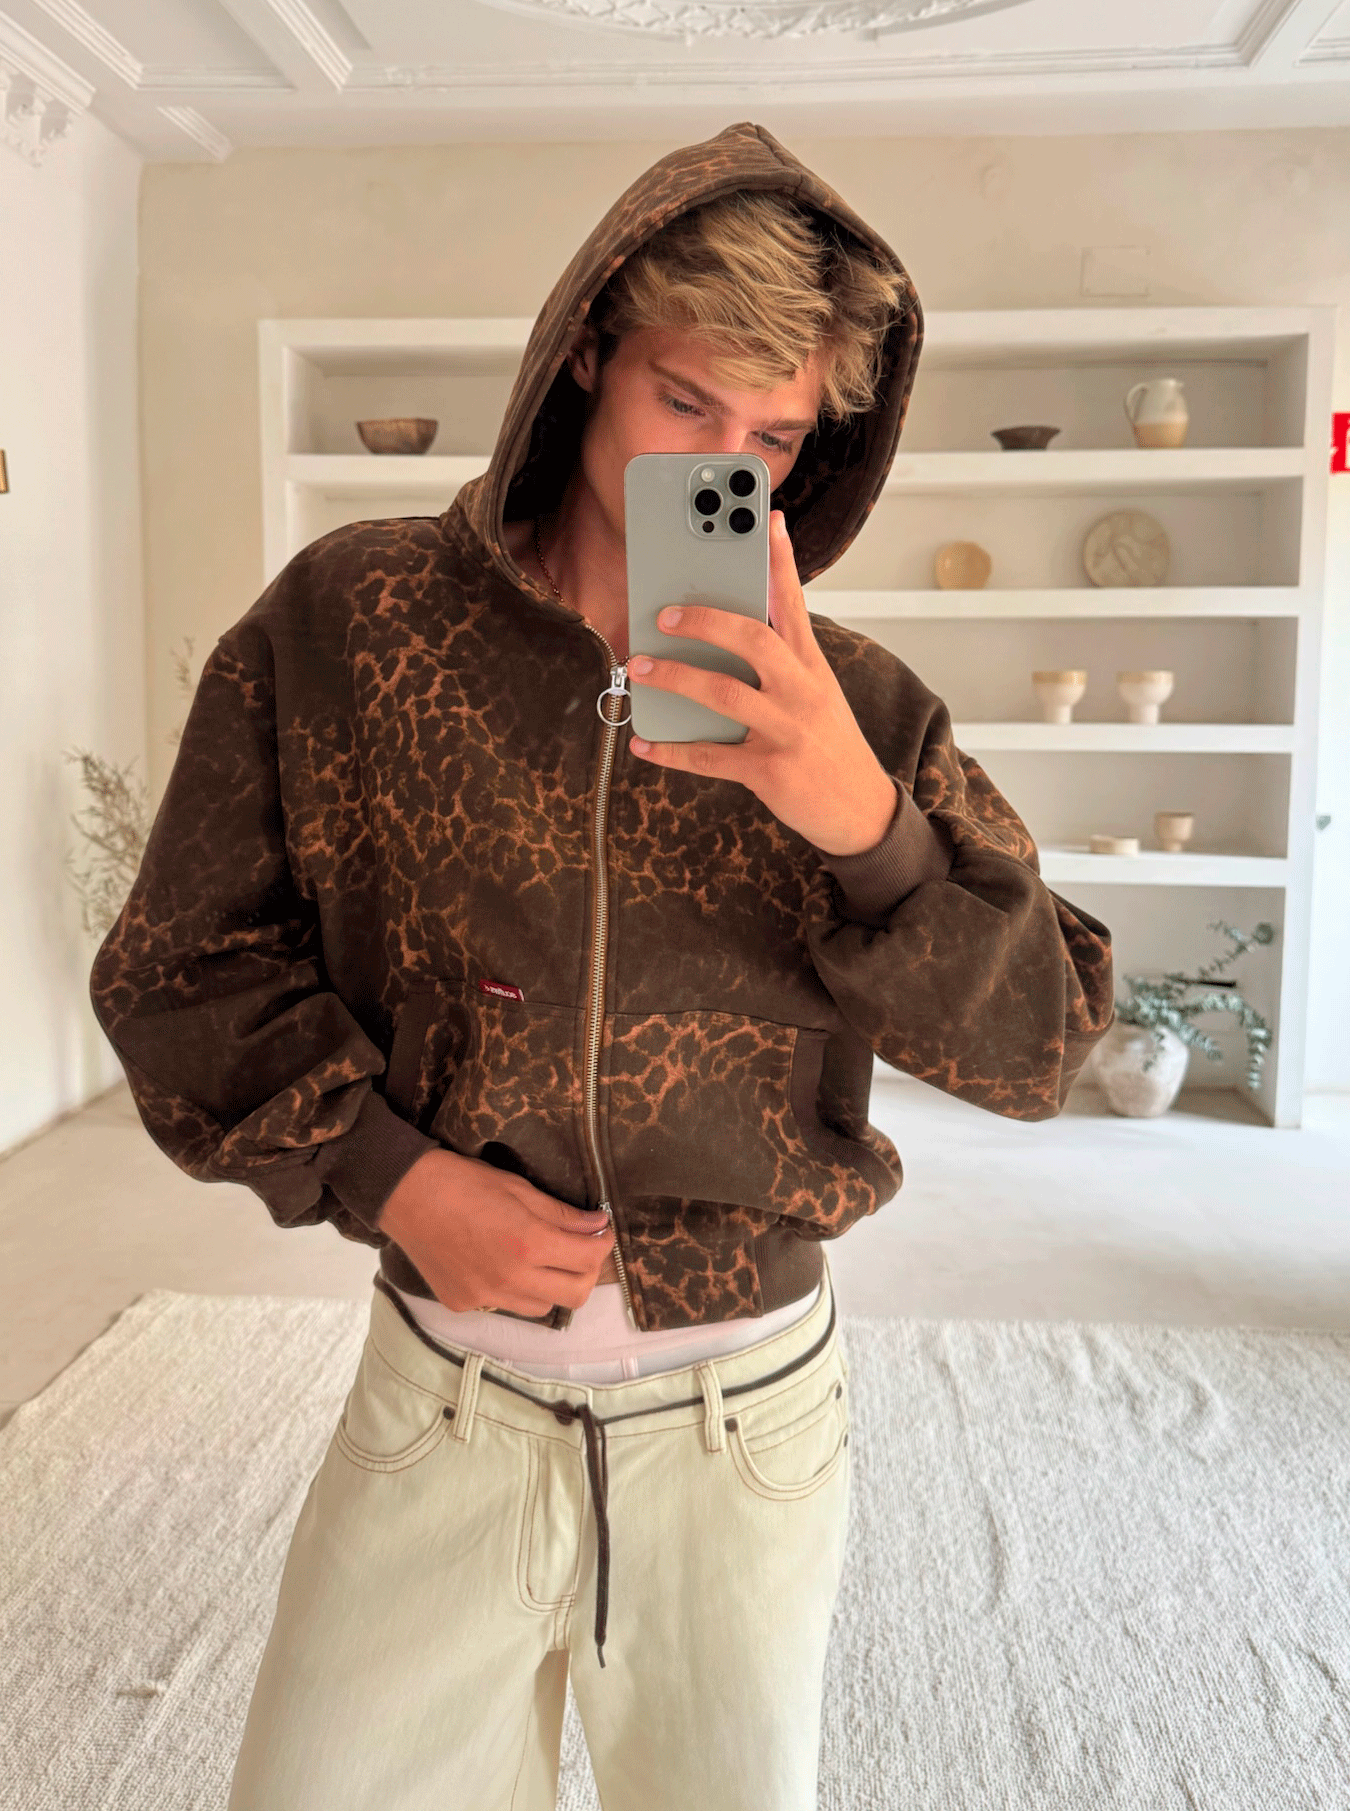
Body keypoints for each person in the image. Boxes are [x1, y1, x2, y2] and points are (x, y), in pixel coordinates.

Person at [89, 120, 1114, 1811]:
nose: (723, 467)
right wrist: (392, 1176)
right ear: (584, 355)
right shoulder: (351, 624)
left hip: (743, 1428)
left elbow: (1039, 1044)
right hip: (442, 1400)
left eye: (773, 436)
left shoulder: (852, 700)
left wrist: (858, 819)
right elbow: (179, 964)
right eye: (683, 403)